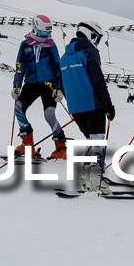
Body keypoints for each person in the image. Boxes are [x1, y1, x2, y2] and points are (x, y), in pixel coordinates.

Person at [60, 20, 116, 192]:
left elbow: (61, 83)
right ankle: (95, 179)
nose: (97, 42)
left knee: (92, 140)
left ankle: (88, 177)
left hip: (75, 107)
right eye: (97, 38)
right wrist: (108, 103)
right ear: (91, 34)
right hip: (92, 103)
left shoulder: (64, 57)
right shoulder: (90, 52)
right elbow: (98, 80)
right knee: (97, 140)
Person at [11, 15, 67, 160]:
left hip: (48, 84)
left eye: (48, 34)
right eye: (43, 34)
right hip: (31, 83)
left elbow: (57, 68)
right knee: (18, 108)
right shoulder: (25, 45)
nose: (45, 37)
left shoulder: (51, 46)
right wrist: (16, 86)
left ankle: (61, 148)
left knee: (49, 115)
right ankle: (27, 145)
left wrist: (58, 88)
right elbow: (19, 66)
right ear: (35, 29)